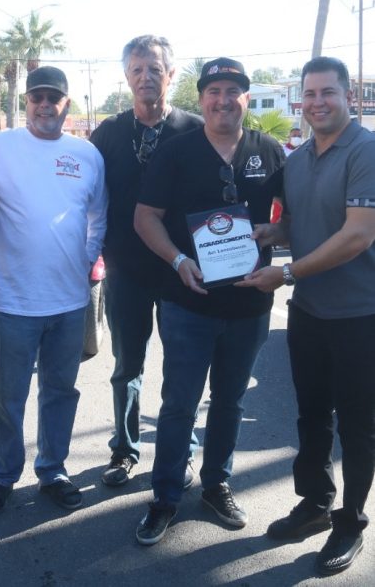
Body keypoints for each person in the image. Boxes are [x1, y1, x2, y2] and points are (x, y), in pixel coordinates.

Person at [133, 58, 284, 546]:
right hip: (187, 302)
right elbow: (145, 218)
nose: (224, 99)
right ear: (201, 99)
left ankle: (217, 483)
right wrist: (178, 259)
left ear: (245, 97)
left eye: (233, 91)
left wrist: (274, 232)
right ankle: (165, 496)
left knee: (231, 401)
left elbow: (293, 219)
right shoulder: (177, 152)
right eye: (214, 90)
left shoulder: (270, 150)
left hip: (249, 303)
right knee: (179, 403)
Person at [239, 57, 375, 576]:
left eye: (328, 92)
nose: (318, 102)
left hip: (361, 314)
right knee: (311, 415)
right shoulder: (297, 160)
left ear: (348, 97)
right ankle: (316, 502)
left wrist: (289, 274)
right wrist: (270, 236)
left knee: (359, 427)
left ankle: (351, 521)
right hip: (310, 313)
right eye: (310, 94)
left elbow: (358, 234)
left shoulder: (366, 151)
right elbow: (303, 227)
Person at [0, 66, 107, 513]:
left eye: (52, 98)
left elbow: (99, 214)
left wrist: (85, 257)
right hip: (15, 301)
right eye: (36, 98)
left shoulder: (87, 155)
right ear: (25, 104)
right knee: (7, 394)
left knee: (60, 391)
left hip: (70, 301)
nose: (44, 106)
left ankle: (53, 469)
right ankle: (1, 474)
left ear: (66, 105)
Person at [90, 35, 203, 487]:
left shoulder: (194, 130)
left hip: (183, 272)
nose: (145, 77)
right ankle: (124, 449)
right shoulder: (108, 134)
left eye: (155, 69)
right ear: (126, 77)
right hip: (127, 273)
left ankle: (183, 449)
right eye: (137, 69)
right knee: (127, 367)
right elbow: (86, 197)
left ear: (171, 76)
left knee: (184, 368)